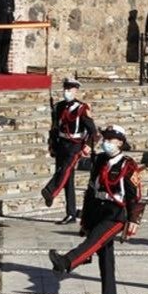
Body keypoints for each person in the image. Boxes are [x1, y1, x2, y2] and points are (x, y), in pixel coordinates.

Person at [49, 125, 145, 294]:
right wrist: (85, 220)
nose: (106, 142)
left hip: (116, 214)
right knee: (106, 263)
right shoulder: (100, 159)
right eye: (105, 138)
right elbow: (91, 190)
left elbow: (134, 196)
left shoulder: (128, 165)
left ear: (120, 142)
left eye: (111, 139)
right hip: (98, 211)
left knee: (95, 240)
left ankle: (67, 262)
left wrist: (133, 220)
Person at [42, 78, 97, 225]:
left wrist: (88, 145)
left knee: (65, 169)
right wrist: (52, 145)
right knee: (67, 180)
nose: (67, 92)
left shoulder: (81, 108)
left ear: (75, 91)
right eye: (65, 89)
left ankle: (49, 191)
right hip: (61, 144)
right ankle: (71, 213)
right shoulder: (58, 107)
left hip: (75, 145)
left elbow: (93, 131)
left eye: (70, 90)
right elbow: (54, 128)